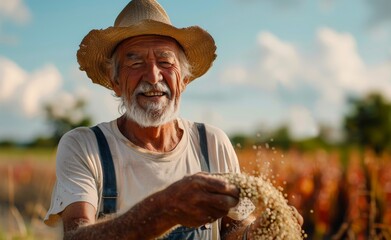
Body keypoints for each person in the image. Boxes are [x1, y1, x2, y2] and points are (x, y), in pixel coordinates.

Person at [44, 0, 301, 239]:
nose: (153, 76)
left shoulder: (211, 143)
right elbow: (77, 236)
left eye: (165, 61)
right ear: (116, 83)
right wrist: (166, 209)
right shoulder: (86, 147)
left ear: (184, 80)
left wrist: (260, 230)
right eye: (135, 63)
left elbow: (233, 230)